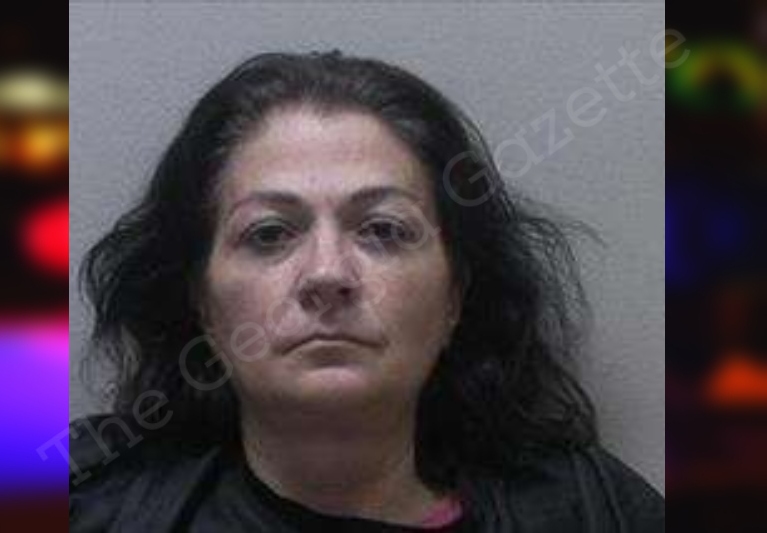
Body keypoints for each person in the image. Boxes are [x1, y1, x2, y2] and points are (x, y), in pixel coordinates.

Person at [70, 50, 664, 532]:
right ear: (201, 300)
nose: (327, 274)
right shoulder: (88, 505)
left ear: (455, 296)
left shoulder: (596, 511)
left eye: (383, 230)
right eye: (269, 233)